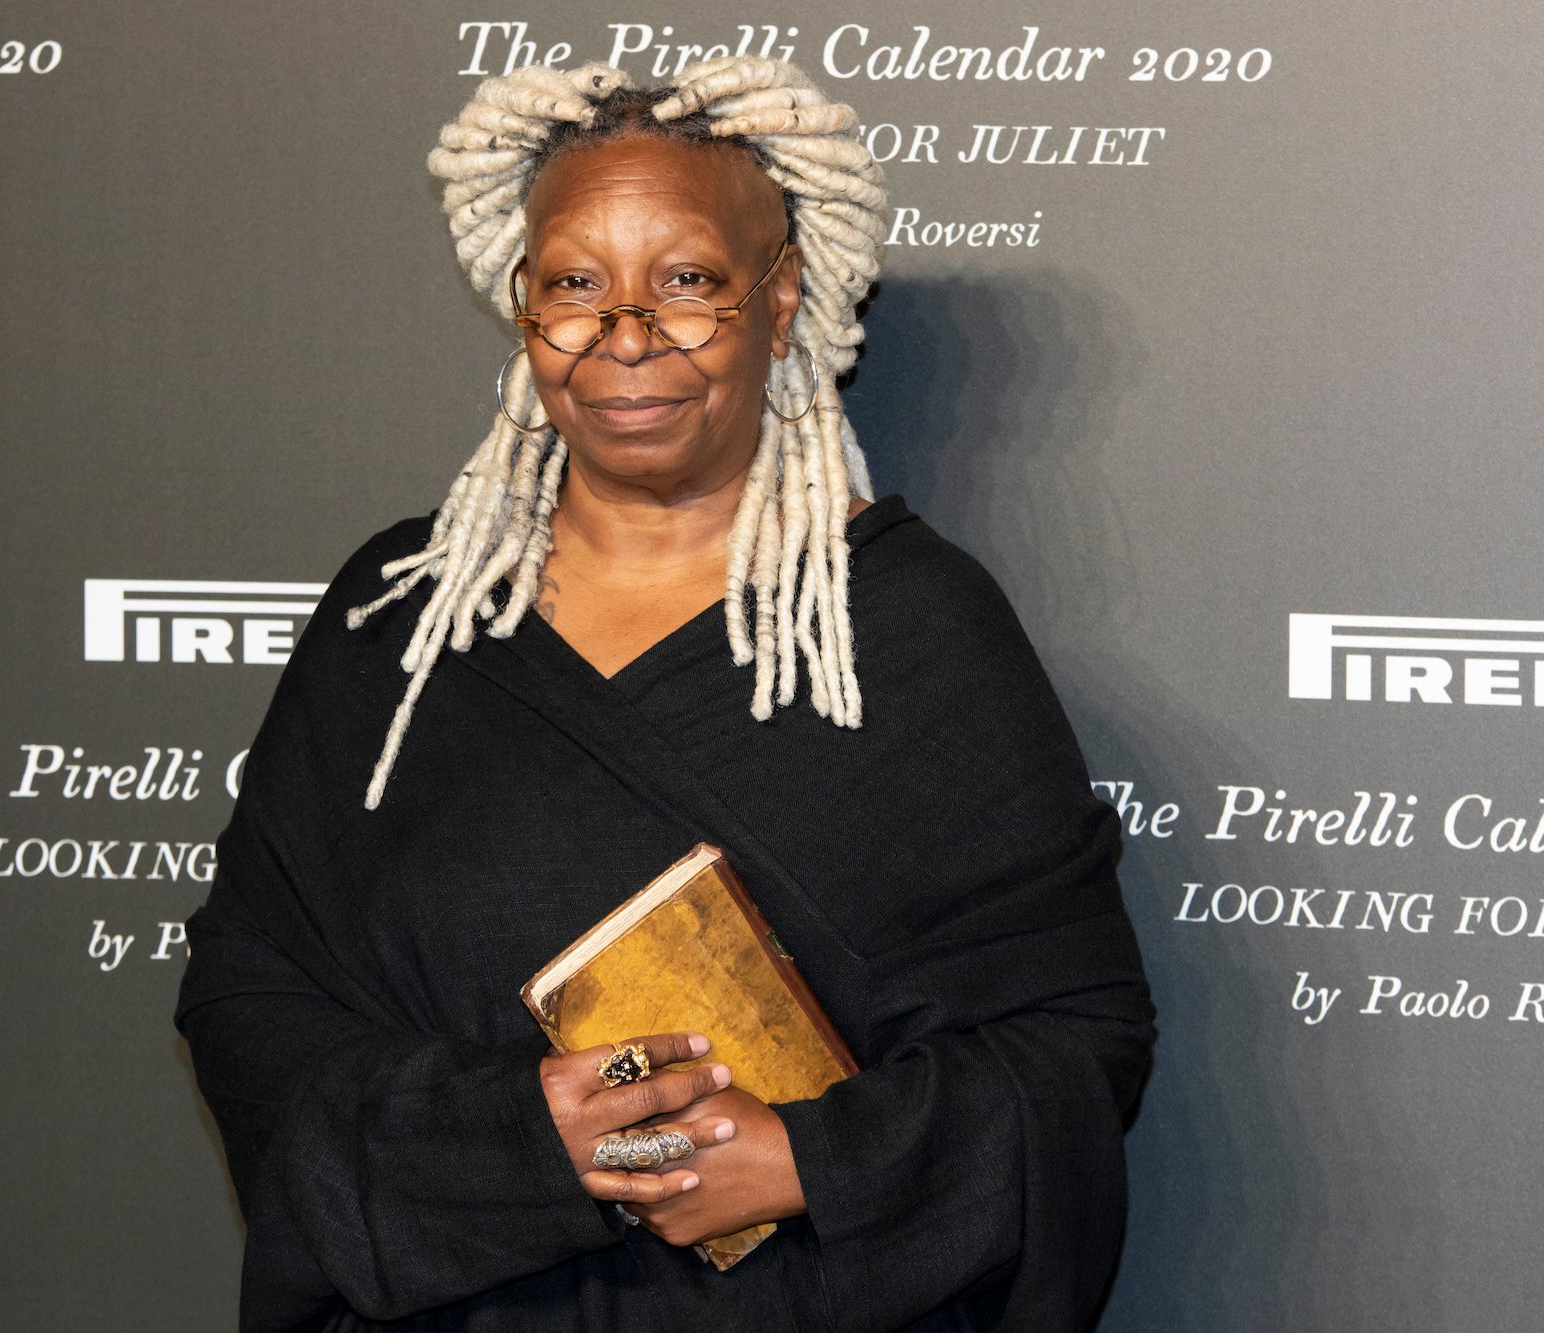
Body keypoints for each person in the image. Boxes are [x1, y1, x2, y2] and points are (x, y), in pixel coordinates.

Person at [175, 56, 1153, 1333]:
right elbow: (249, 998)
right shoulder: (402, 620)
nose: (625, 335)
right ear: (522, 306)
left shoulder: (909, 632)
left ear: (781, 296)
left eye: (686, 281)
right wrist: (517, 1140)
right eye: (574, 284)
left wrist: (815, 1162)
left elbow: (1073, 1042)